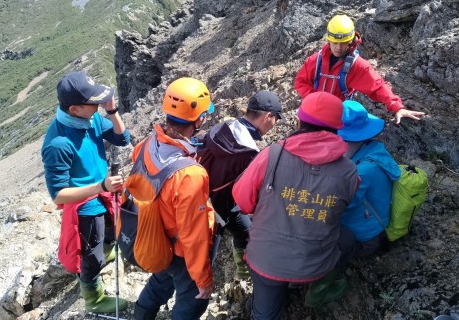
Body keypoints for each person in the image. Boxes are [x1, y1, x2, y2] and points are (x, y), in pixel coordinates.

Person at [232, 91, 359, 319]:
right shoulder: (349, 170)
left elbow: (242, 200)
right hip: (315, 264)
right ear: (337, 128)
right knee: (348, 237)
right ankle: (313, 286)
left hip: (266, 262)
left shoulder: (271, 155)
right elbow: (344, 206)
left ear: (300, 121)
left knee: (263, 314)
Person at [41, 71, 130, 313]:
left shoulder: (90, 120)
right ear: (74, 109)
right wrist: (100, 186)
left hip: (104, 195)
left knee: (110, 234)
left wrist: (112, 112)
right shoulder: (58, 143)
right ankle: (94, 299)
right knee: (91, 257)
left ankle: (107, 253)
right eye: (93, 102)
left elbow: (123, 139)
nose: (98, 105)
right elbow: (58, 195)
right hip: (86, 207)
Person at [130, 77, 216, 320]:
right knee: (193, 303)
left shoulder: (146, 144)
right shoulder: (190, 175)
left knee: (161, 281)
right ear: (199, 119)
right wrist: (203, 278)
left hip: (155, 239)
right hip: (179, 250)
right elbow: (194, 235)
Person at [197, 90, 285, 279]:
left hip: (200, 194)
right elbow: (248, 196)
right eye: (276, 119)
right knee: (205, 261)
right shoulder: (249, 153)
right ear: (267, 116)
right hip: (215, 210)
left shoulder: (225, 126)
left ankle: (242, 272)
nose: (275, 124)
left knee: (243, 230)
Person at [294, 14, 426, 124]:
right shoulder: (316, 61)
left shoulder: (357, 66)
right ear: (329, 40)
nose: (338, 48)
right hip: (313, 113)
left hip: (337, 118)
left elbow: (378, 86)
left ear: (351, 41)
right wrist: (315, 100)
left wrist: (397, 107)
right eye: (335, 43)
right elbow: (300, 81)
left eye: (344, 43)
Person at [338, 100, 401, 258]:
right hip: (374, 227)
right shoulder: (374, 150)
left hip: (365, 239)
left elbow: (340, 208)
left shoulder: (362, 172)